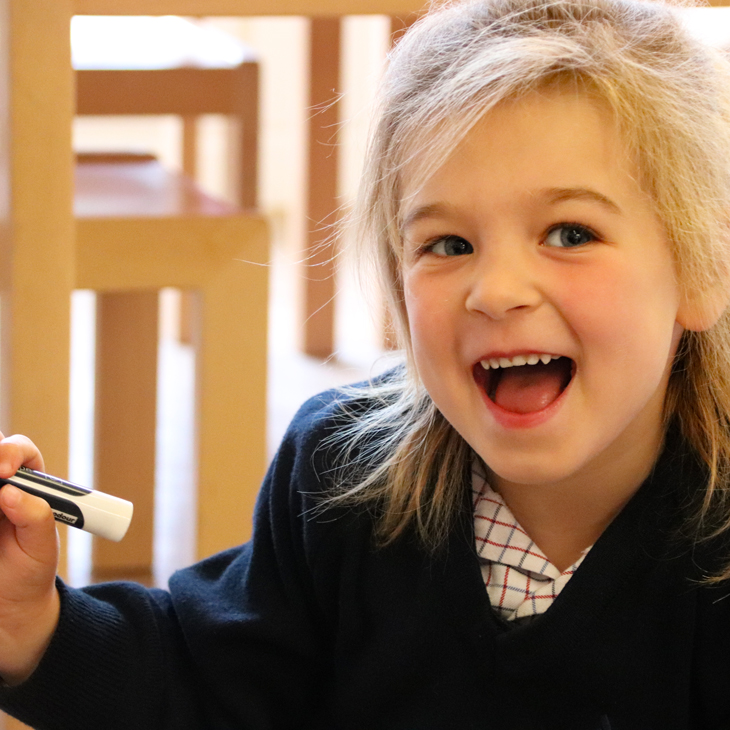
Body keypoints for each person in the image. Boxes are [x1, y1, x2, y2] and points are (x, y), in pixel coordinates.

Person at [1, 0, 730, 727]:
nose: (497, 290)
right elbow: (210, 685)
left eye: (570, 233)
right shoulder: (341, 473)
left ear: (704, 268)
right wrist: (31, 625)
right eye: (447, 244)